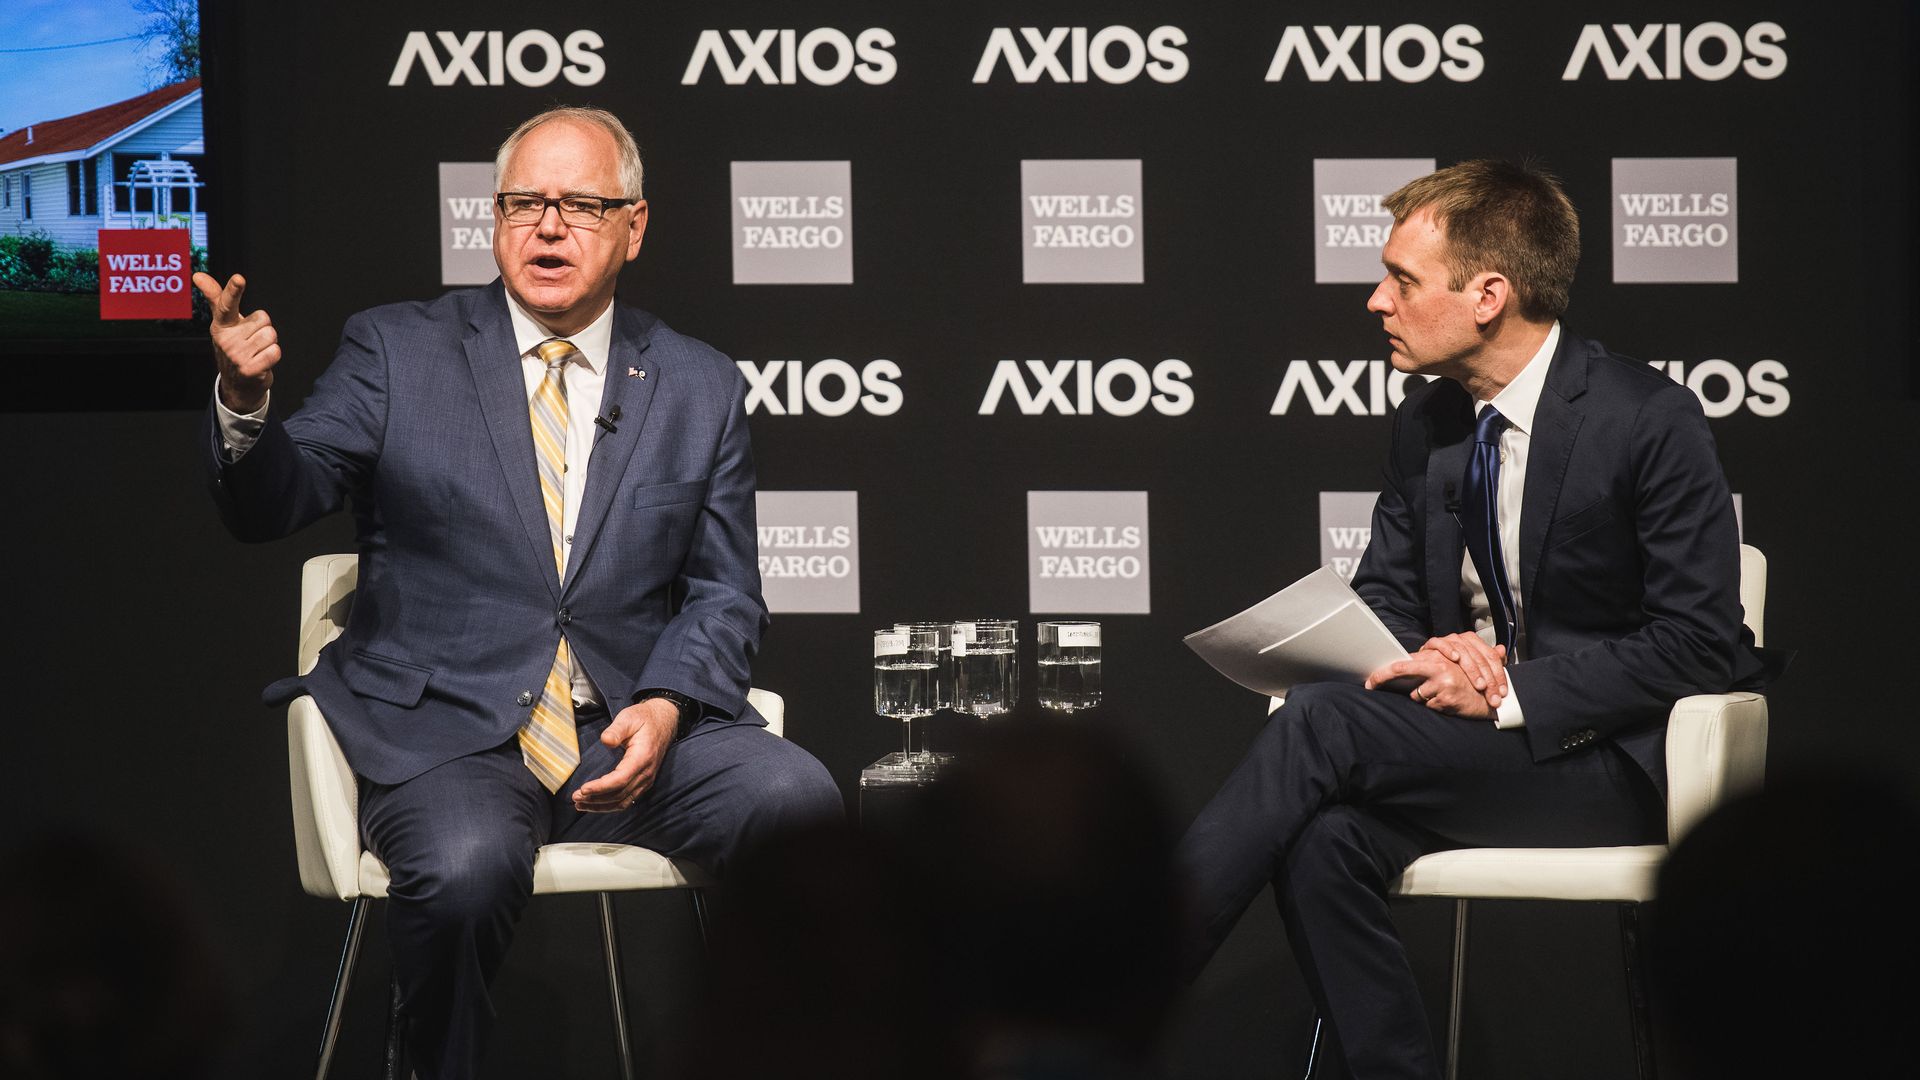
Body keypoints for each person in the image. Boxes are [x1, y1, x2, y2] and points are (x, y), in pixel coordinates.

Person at [197, 106, 842, 1079]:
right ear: (492, 219)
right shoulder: (397, 351)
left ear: (635, 226)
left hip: (629, 734)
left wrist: (667, 707)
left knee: (800, 803)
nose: (548, 226)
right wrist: (246, 406)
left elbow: (724, 595)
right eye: (523, 203)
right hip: (449, 733)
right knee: (462, 873)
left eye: (581, 205)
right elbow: (278, 499)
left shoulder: (696, 383)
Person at [1175, 159, 1773, 1080]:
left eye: (1402, 280)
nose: (1377, 301)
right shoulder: (1428, 424)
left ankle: (1122, 981)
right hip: (1476, 758)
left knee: (1322, 722)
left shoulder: (1649, 419)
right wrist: (1429, 651)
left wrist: (1509, 689)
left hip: (1609, 763)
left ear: (1488, 294)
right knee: (1326, 840)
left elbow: (1701, 642)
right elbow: (1387, 597)